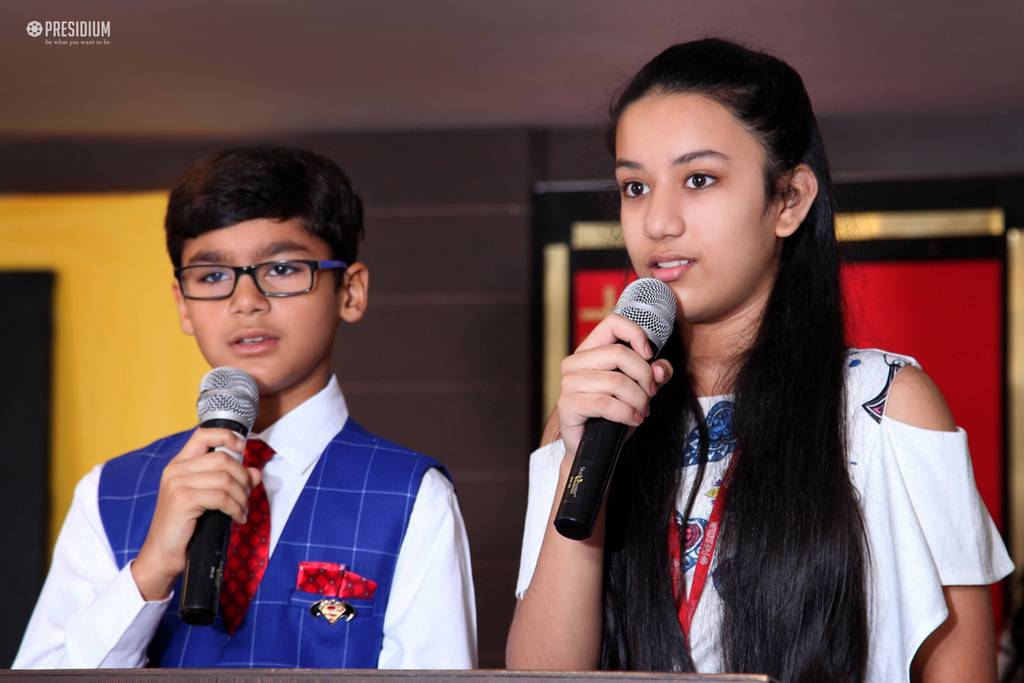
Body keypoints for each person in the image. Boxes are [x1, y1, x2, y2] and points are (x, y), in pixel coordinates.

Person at [506, 39, 1012, 683]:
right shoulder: (592, 411)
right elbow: (541, 675)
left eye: (699, 179)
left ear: (790, 199)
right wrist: (584, 463)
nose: (657, 222)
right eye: (635, 186)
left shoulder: (885, 405)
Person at [14, 146, 476, 669]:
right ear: (182, 305)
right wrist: (148, 574)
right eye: (212, 276)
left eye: (281, 268)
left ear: (350, 291)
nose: (245, 300)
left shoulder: (412, 497)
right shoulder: (109, 492)